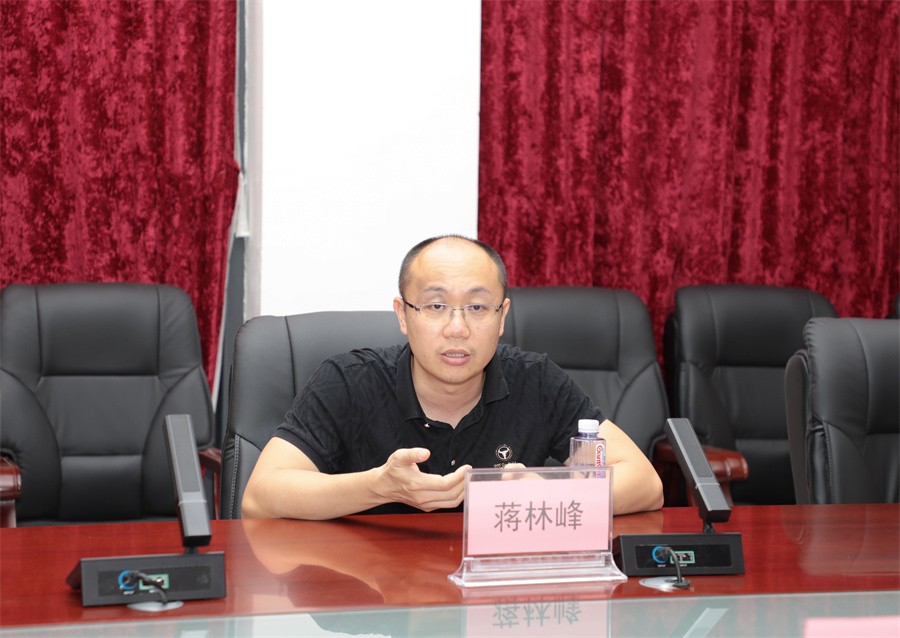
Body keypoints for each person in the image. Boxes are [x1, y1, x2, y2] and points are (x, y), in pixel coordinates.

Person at [242, 235, 663, 520]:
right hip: (375, 596)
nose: (457, 328)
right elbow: (260, 496)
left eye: (477, 308)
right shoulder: (348, 382)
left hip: (490, 600)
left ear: (502, 317)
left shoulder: (537, 380)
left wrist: (551, 492)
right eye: (436, 306)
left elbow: (645, 484)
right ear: (403, 315)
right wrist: (379, 487)